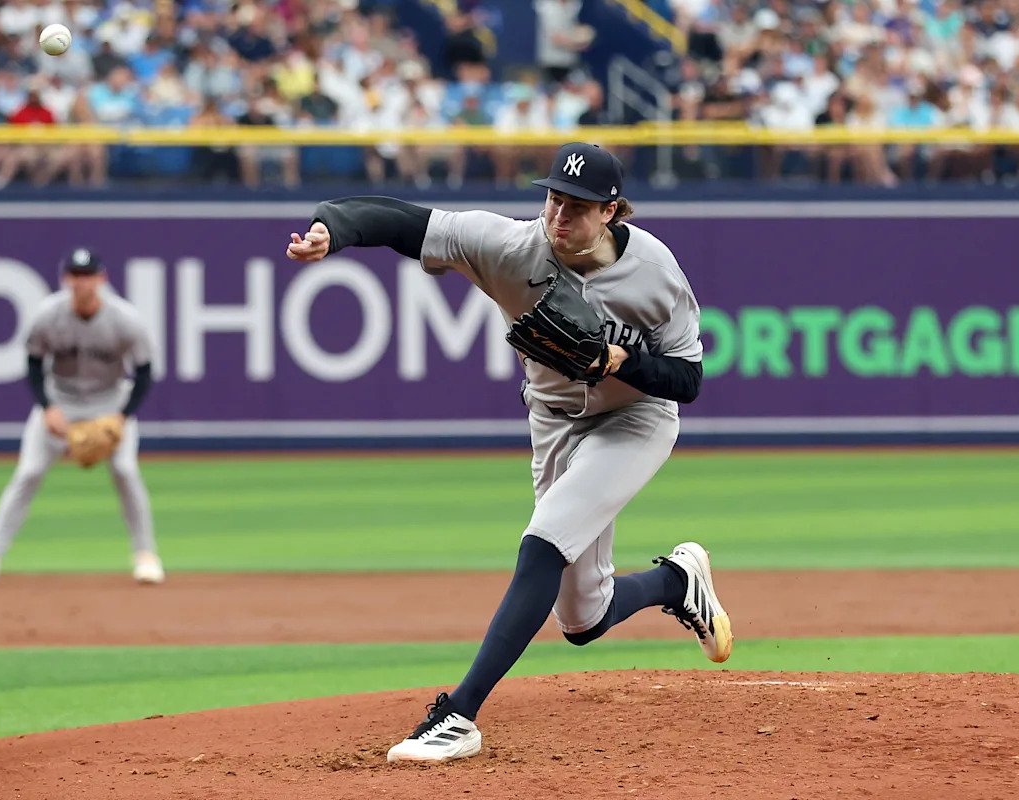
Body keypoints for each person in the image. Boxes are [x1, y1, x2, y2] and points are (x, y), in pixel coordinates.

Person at [285, 142, 732, 763]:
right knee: (583, 619)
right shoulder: (511, 246)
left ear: (611, 211)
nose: (559, 216)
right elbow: (403, 221)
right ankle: (677, 581)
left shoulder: (655, 270)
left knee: (543, 542)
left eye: (577, 206)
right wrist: (332, 229)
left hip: (634, 420)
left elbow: (688, 380)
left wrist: (619, 360)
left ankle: (458, 714)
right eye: (554, 199)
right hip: (553, 421)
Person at [0, 248, 164, 585]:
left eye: (88, 275)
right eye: (75, 275)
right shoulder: (48, 315)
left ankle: (146, 555)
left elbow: (144, 371)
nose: (82, 282)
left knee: (126, 472)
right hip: (61, 401)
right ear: (65, 279)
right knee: (28, 473)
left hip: (110, 402)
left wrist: (123, 416)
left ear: (101, 278)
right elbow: (33, 363)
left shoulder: (124, 319)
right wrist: (47, 406)